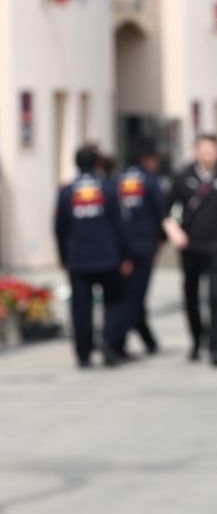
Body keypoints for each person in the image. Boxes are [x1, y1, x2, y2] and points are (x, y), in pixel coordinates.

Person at [163, 134, 217, 367]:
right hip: (190, 246)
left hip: (216, 245)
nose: (208, 155)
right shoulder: (182, 177)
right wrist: (174, 231)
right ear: (196, 151)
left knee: (215, 297)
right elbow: (166, 210)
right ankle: (196, 339)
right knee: (191, 295)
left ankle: (216, 348)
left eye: (212, 150)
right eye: (204, 150)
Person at [54, 144, 132, 368]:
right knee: (115, 301)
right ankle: (108, 340)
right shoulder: (108, 188)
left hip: (78, 258)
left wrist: (63, 256)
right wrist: (125, 255)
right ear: (97, 163)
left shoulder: (67, 191)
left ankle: (83, 353)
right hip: (108, 257)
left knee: (81, 307)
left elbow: (60, 228)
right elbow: (120, 224)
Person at [114, 146, 166, 357]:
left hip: (122, 247)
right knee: (136, 296)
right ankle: (117, 339)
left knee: (130, 293)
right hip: (144, 246)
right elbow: (160, 211)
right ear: (147, 159)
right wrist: (161, 239)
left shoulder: (118, 180)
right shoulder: (151, 181)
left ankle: (148, 340)